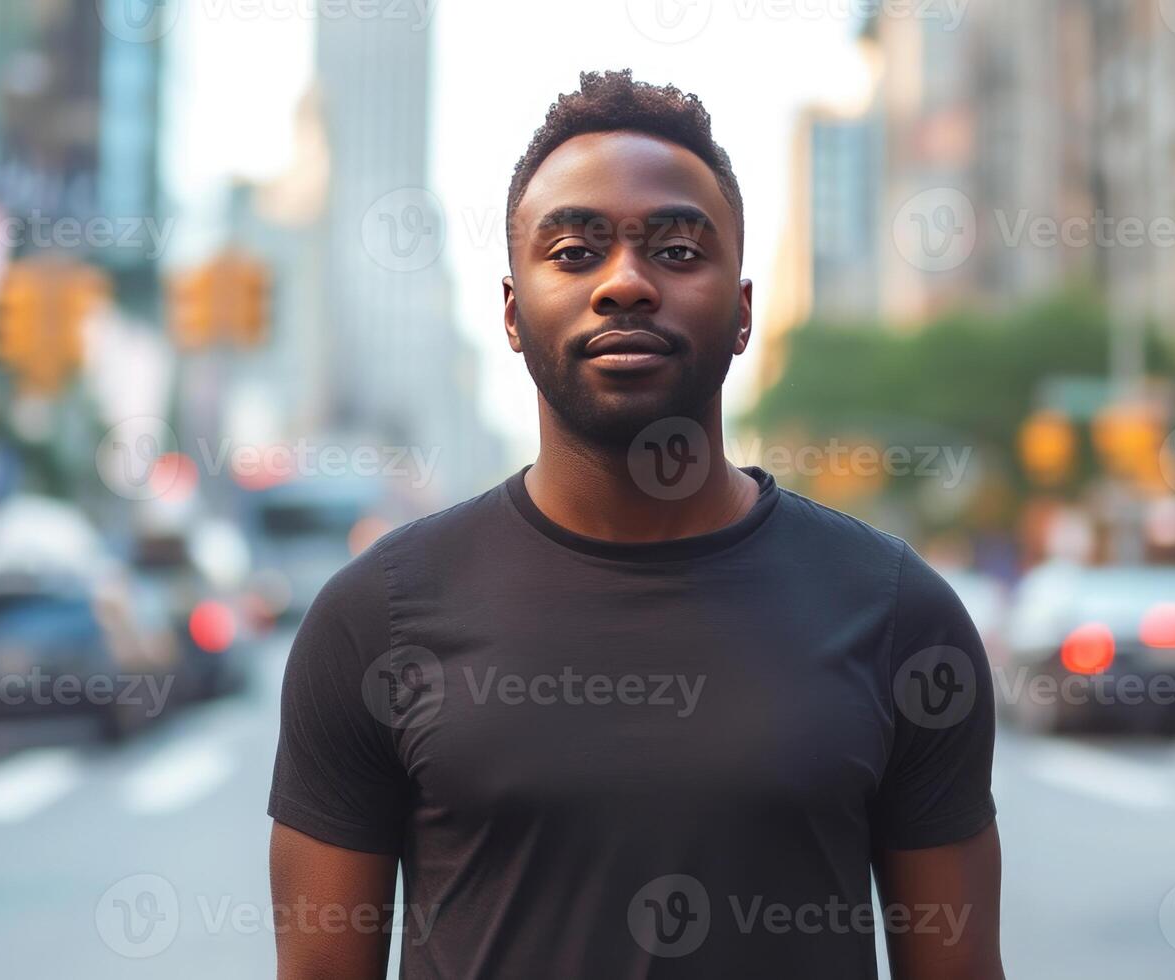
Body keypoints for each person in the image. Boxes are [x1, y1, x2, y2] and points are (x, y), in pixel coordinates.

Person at [269, 68, 1003, 980]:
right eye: (574, 252)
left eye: (678, 251)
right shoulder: (371, 620)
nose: (624, 284)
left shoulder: (900, 617)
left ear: (741, 313)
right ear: (510, 311)